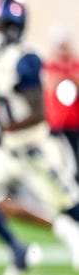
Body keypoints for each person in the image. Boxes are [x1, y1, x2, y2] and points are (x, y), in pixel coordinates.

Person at [0, 0, 79, 275]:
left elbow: (38, 112)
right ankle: (18, 250)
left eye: (2, 26)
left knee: (71, 208)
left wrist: (2, 129)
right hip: (11, 151)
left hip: (36, 149)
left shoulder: (25, 59)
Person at [43, 22, 79, 181]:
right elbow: (52, 83)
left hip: (74, 122)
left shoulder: (75, 63)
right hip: (57, 122)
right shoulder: (50, 65)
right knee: (58, 161)